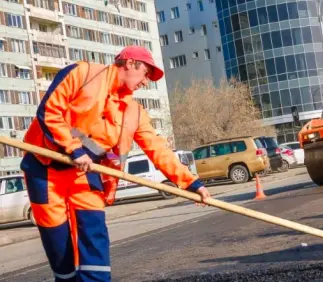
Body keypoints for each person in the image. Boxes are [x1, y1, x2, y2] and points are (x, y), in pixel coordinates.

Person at [20, 45, 211, 281]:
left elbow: (158, 149)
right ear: (130, 63)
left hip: (85, 173)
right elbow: (49, 111)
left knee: (94, 234)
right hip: (44, 167)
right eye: (146, 74)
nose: (146, 82)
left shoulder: (134, 112)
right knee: (57, 244)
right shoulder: (82, 74)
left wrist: (193, 184)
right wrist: (73, 148)